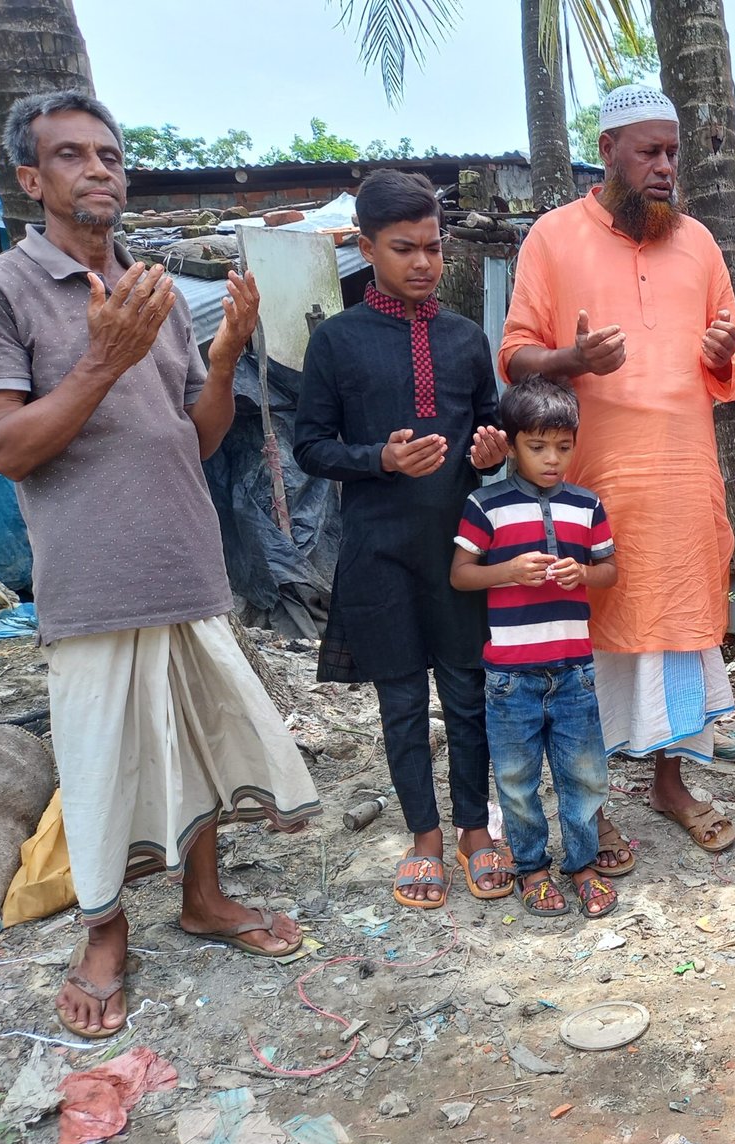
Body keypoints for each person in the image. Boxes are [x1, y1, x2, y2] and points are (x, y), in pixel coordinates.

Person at [0, 91, 318, 1040]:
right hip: (90, 577)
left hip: (185, 560)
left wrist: (224, 362)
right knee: (99, 763)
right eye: (73, 156)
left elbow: (197, 441)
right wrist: (97, 361)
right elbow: (5, 448)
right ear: (33, 180)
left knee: (198, 741)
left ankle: (204, 897)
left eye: (111, 155)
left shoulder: (152, 291)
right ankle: (105, 933)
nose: (100, 170)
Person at [499, 84, 735, 870]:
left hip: (680, 486)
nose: (665, 167)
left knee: (679, 634)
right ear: (607, 151)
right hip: (588, 489)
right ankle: (590, 801)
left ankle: (671, 785)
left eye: (672, 152)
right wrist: (571, 360)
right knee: (590, 646)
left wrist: (719, 356)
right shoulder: (552, 238)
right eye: (649, 151)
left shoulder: (701, 244)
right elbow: (514, 356)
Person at [295, 169, 512, 909]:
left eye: (432, 248)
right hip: (376, 549)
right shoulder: (336, 341)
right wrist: (378, 459)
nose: (423, 263)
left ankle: (474, 829)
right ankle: (424, 836)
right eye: (403, 248)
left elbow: (492, 429)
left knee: (466, 690)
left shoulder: (463, 340)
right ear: (366, 248)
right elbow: (310, 447)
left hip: (457, 550)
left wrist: (490, 452)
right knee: (399, 700)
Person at [451, 375, 619, 918]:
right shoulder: (486, 505)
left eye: (564, 448)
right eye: (537, 446)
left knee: (585, 774)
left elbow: (610, 571)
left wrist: (584, 575)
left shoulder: (586, 505)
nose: (552, 459)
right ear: (512, 443)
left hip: (574, 671)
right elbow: (460, 575)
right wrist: (508, 571)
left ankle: (583, 863)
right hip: (510, 678)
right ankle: (532, 868)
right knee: (517, 782)